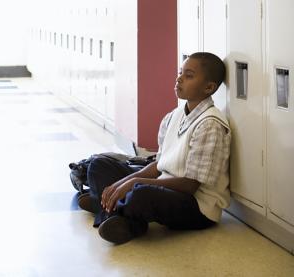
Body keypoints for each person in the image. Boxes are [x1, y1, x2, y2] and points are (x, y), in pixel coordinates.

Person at [78, 52, 231, 244]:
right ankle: (119, 213)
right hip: (166, 187)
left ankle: (108, 206)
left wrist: (134, 184)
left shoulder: (210, 124)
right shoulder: (174, 116)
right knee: (99, 165)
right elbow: (159, 164)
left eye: (189, 75)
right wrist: (124, 182)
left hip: (196, 206)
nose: (179, 78)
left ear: (209, 87)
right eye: (180, 72)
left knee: (141, 193)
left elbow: (191, 185)